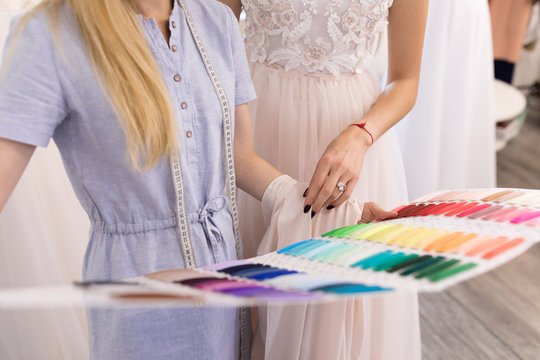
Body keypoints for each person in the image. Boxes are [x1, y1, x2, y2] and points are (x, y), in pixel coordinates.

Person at [0, 0, 394, 358]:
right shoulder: (49, 36)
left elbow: (239, 159)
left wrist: (329, 211)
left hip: (224, 274)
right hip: (140, 288)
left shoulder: (215, 20)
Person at [221, 0, 427, 359]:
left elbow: (405, 80)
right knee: (248, 288)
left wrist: (363, 133)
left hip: (357, 135)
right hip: (255, 125)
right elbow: (213, 38)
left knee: (338, 304)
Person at [396, 0, 496, 201]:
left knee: (455, 104)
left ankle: (447, 197)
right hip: (441, 11)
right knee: (425, 94)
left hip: (458, 11)